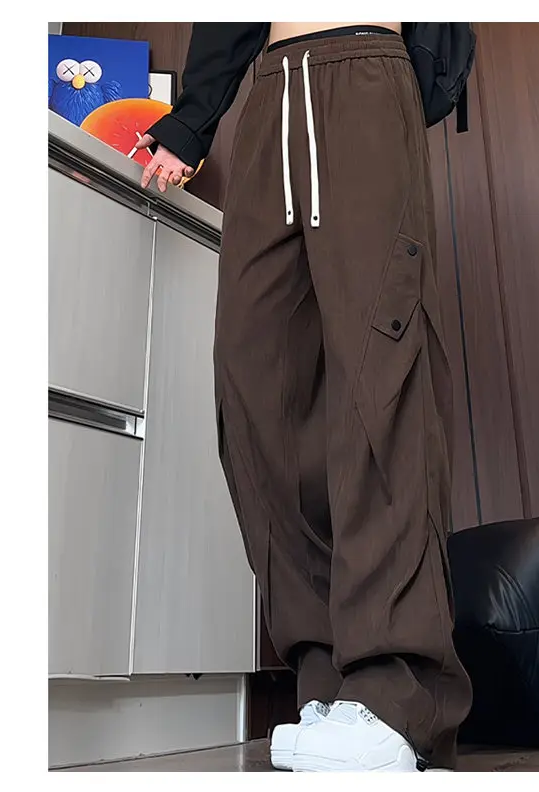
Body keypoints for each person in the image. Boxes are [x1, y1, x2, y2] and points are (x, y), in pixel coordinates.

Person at [138, 22, 472, 773]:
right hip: (272, 91)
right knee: (259, 385)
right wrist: (193, 118)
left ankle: (396, 694)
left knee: (379, 372)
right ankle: (329, 681)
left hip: (366, 73)